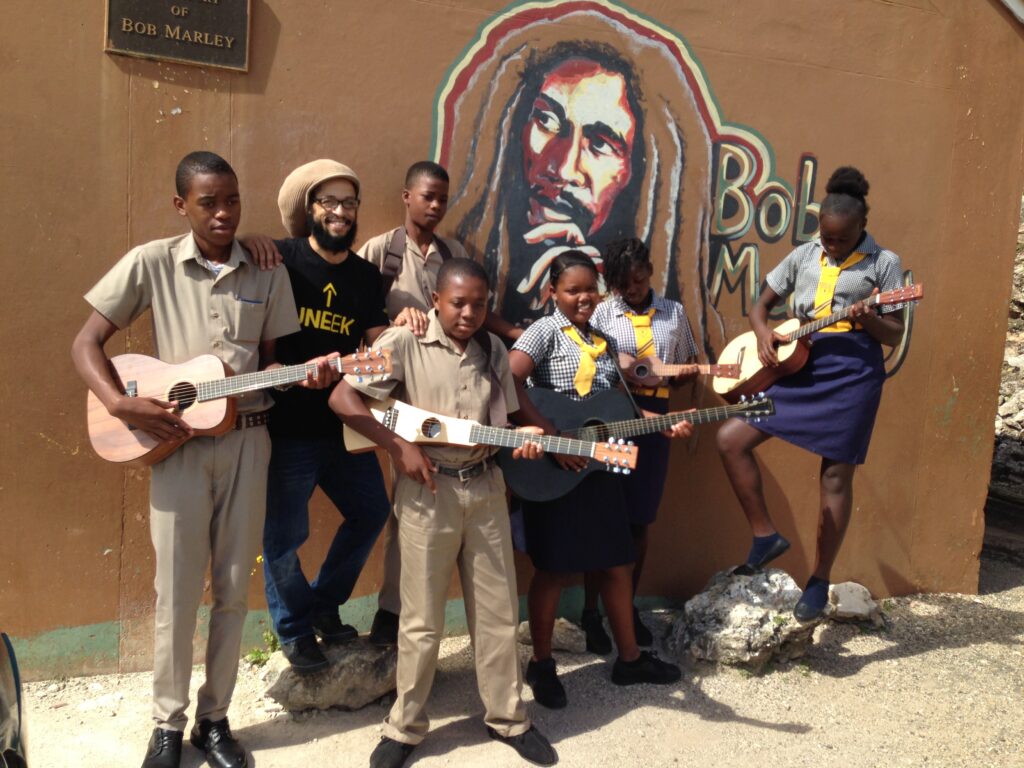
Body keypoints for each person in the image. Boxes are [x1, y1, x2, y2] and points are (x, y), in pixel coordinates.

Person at [71, 151, 335, 768]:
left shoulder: (266, 268)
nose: (223, 213)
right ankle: (167, 724)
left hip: (250, 441)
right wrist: (119, 404)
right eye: (209, 202)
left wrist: (305, 374)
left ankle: (215, 722)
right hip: (176, 447)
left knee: (233, 594)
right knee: (176, 593)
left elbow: (269, 361)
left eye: (233, 200)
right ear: (181, 205)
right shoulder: (151, 263)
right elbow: (85, 342)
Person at [330, 258, 557, 768]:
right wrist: (397, 447)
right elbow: (343, 399)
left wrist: (521, 440)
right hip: (426, 490)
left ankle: (509, 718)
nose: (469, 313)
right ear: (435, 299)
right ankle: (405, 727)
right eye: (458, 303)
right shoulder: (400, 342)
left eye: (479, 304)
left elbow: (503, 421)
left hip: (485, 489)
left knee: (498, 613)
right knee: (422, 619)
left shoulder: (494, 350)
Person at [436, 10, 720, 355]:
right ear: (511, 130)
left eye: (601, 143)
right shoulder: (453, 255)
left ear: (641, 178)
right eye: (547, 120)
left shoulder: (619, 311)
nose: (564, 168)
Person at [716, 166, 907, 621]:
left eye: (840, 239)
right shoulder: (804, 255)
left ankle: (819, 579)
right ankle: (765, 535)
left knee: (836, 478)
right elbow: (761, 305)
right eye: (826, 236)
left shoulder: (885, 263)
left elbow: (894, 333)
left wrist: (866, 318)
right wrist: (763, 333)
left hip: (853, 373)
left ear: (862, 226)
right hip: (799, 362)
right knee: (730, 439)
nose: (831, 245)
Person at [508, 250, 690, 709]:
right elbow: (505, 381)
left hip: (600, 468)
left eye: (591, 289)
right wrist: (552, 438)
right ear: (553, 292)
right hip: (556, 470)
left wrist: (660, 421)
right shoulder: (543, 332)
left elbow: (615, 408)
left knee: (616, 562)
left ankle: (629, 659)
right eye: (573, 290)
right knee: (553, 570)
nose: (584, 297)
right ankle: (542, 664)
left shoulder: (604, 341)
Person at [260, 159, 392, 674]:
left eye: (349, 203)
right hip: (288, 429)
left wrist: (400, 329)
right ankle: (293, 630)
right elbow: (262, 352)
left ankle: (320, 605)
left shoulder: (364, 276)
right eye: (329, 202)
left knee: (371, 512)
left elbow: (377, 342)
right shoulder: (279, 258)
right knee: (282, 539)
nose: (340, 212)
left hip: (342, 424)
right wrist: (288, 373)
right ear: (310, 209)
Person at [581, 237, 699, 652]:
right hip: (611, 417)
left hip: (658, 425)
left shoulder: (673, 313)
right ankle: (591, 612)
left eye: (638, 279)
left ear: (650, 270)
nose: (631, 289)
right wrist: (627, 374)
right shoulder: (600, 314)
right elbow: (590, 367)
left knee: (639, 521)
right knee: (601, 518)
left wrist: (667, 374)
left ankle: (625, 608)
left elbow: (688, 364)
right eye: (621, 283)